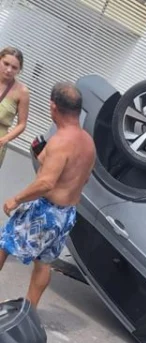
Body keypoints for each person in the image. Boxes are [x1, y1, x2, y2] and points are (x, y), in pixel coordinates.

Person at [0, 82, 94, 308]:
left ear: (53, 107)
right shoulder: (88, 142)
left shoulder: (61, 141)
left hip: (46, 211)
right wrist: (44, 156)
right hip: (66, 215)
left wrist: (16, 199)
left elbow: (46, 182)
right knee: (44, 263)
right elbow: (82, 177)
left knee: (4, 244)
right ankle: (29, 312)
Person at [0, 47, 30, 167]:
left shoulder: (22, 92)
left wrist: (5, 139)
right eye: (6, 64)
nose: (8, 70)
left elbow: (22, 124)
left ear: (19, 70)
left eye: (14, 67)